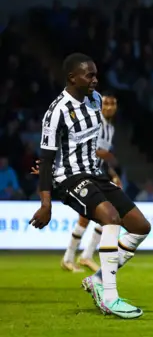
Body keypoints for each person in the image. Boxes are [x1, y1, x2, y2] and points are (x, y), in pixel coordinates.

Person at [30, 53, 151, 319]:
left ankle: (97, 279)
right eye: (89, 75)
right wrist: (46, 204)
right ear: (72, 78)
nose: (95, 80)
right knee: (110, 218)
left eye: (96, 74)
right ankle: (109, 296)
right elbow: (47, 156)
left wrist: (108, 170)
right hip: (69, 178)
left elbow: (91, 145)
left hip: (95, 174)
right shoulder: (57, 111)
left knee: (141, 227)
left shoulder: (95, 100)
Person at [31, 93, 120, 273]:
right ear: (100, 105)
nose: (110, 107)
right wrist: (51, 164)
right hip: (81, 174)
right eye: (106, 103)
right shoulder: (95, 121)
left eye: (113, 103)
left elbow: (99, 156)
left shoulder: (111, 129)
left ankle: (78, 256)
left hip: (97, 173)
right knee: (100, 214)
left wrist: (113, 174)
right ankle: (77, 256)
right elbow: (85, 148)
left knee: (93, 217)